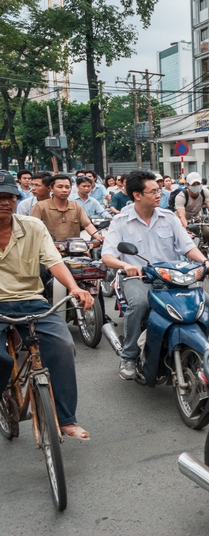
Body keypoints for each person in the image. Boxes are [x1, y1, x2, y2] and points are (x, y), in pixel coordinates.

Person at [101, 170, 209, 381]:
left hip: (173, 277)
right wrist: (125, 265)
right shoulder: (121, 221)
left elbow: (188, 247)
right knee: (139, 304)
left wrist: (206, 262)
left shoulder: (169, 217)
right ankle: (129, 355)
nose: (159, 194)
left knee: (205, 303)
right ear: (137, 195)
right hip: (138, 278)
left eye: (159, 190)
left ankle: (194, 344)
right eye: (153, 191)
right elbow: (107, 256)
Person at [0, 177, 94, 440]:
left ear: (16, 199)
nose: (4, 203)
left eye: (9, 197)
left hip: (31, 299)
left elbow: (54, 262)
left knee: (63, 346)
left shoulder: (33, 227)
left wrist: (74, 288)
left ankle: (65, 419)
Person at [31, 175, 102, 242]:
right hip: (49, 249)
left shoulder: (75, 206)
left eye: (67, 187)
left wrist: (98, 237)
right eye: (60, 187)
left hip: (74, 248)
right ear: (51, 188)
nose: (64, 190)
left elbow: (87, 225)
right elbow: (33, 229)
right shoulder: (40, 206)